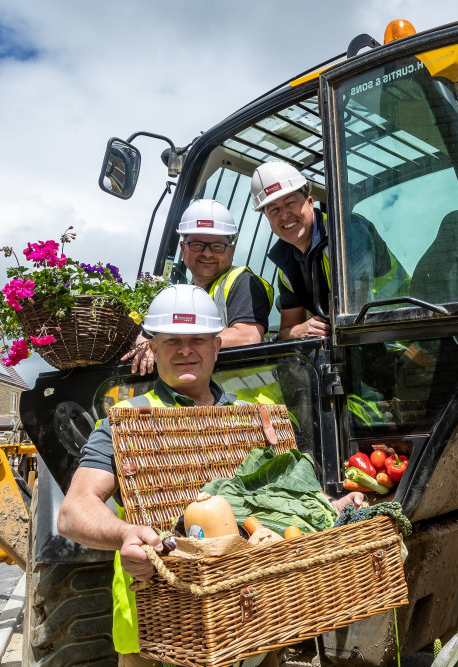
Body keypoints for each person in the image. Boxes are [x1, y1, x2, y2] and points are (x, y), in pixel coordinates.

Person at [58, 285, 362, 667]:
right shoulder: (122, 424)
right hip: (159, 632)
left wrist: (332, 508)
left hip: (254, 621)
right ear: (152, 350)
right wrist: (125, 535)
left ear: (217, 347)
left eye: (197, 340)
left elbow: (287, 501)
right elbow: (73, 511)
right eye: (172, 341)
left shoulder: (258, 418)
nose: (186, 350)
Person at [250, 160, 408, 339]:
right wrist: (298, 331)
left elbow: (354, 311)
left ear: (310, 203)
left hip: (408, 328)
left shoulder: (346, 231)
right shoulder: (286, 266)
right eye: (274, 210)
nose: (284, 215)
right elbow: (287, 331)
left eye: (291, 203)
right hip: (363, 345)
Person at [123, 199, 274, 374]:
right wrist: (145, 344)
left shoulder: (242, 281)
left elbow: (247, 337)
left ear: (231, 251)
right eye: (197, 245)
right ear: (182, 248)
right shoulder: (183, 297)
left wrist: (167, 346)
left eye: (217, 246)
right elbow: (147, 337)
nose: (207, 253)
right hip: (199, 396)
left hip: (247, 398)